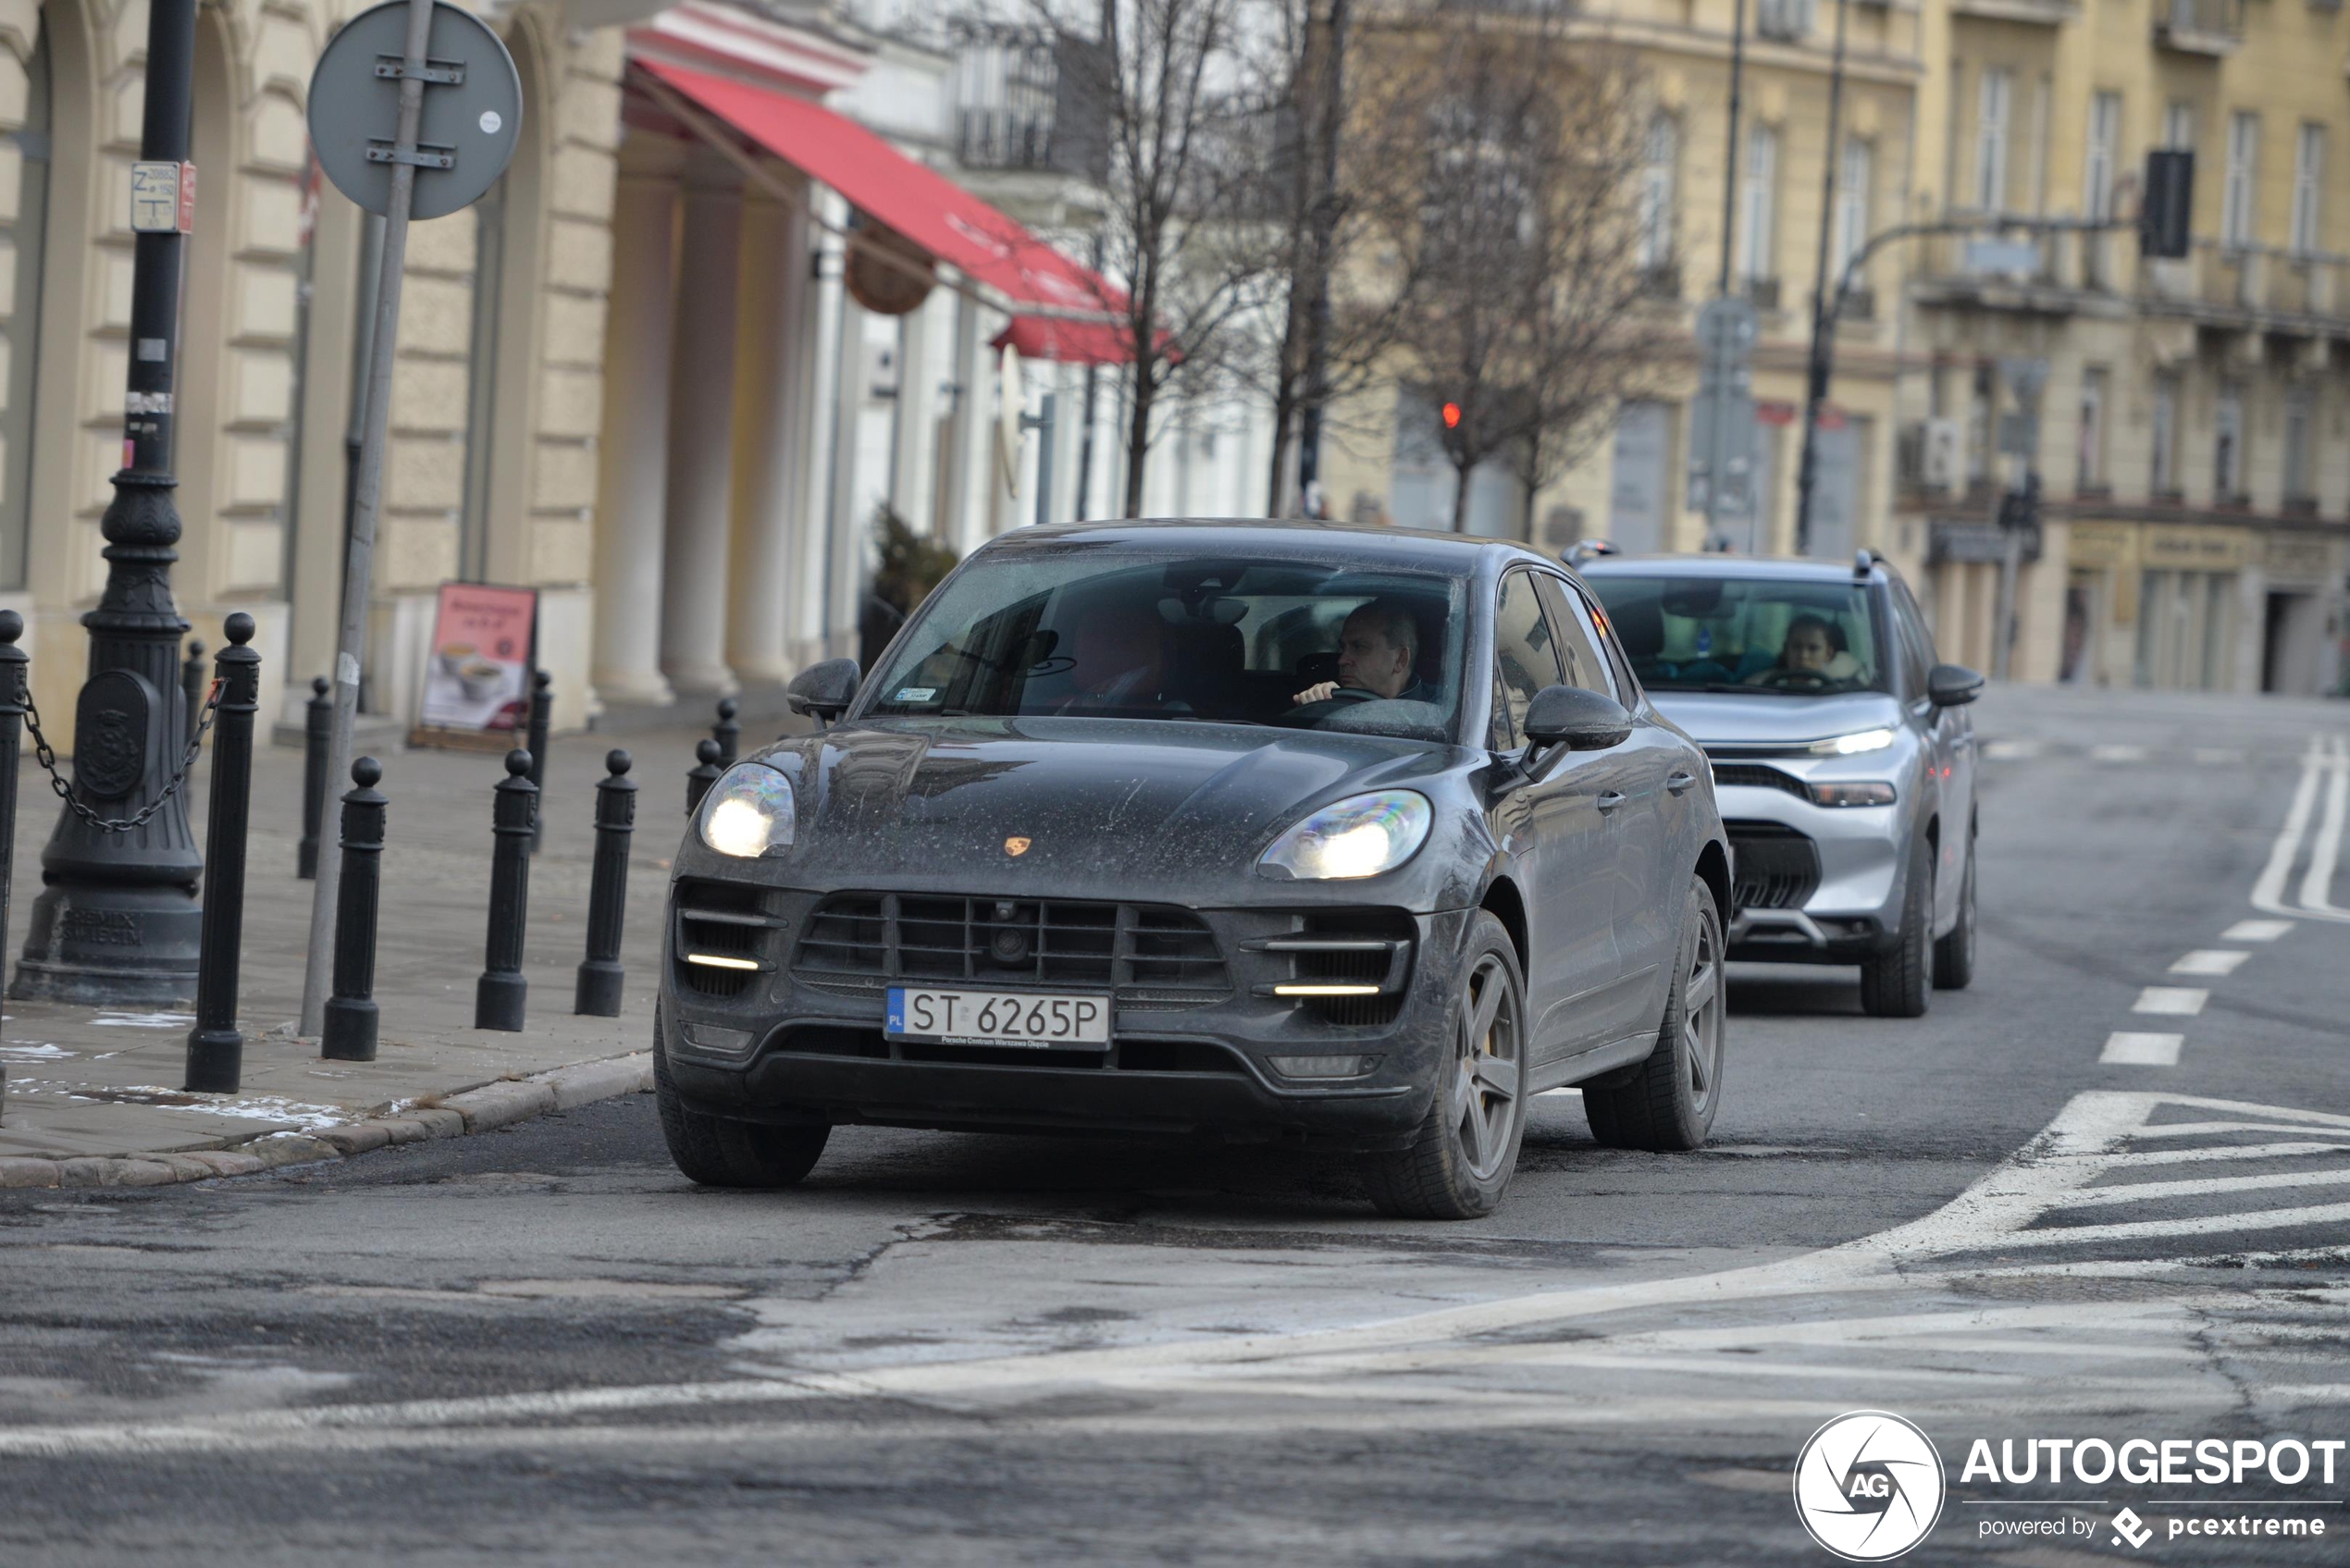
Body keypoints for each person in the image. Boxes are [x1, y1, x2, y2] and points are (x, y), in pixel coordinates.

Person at [1292, 599, 1438, 706]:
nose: (1341, 660)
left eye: (1359, 647)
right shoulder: (1329, 695)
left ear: (1400, 659)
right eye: (1343, 647)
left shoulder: (1440, 713)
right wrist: (1316, 706)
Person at [1056, 608, 1169, 710]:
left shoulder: (1170, 717)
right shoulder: (1056, 710)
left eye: (1124, 642)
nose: (1098, 648)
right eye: (1093, 635)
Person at [1746, 612, 1862, 685]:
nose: (1803, 655)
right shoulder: (1759, 685)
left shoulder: (1844, 689)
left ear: (1829, 654)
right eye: (1796, 647)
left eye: (1813, 648)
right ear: (1786, 650)